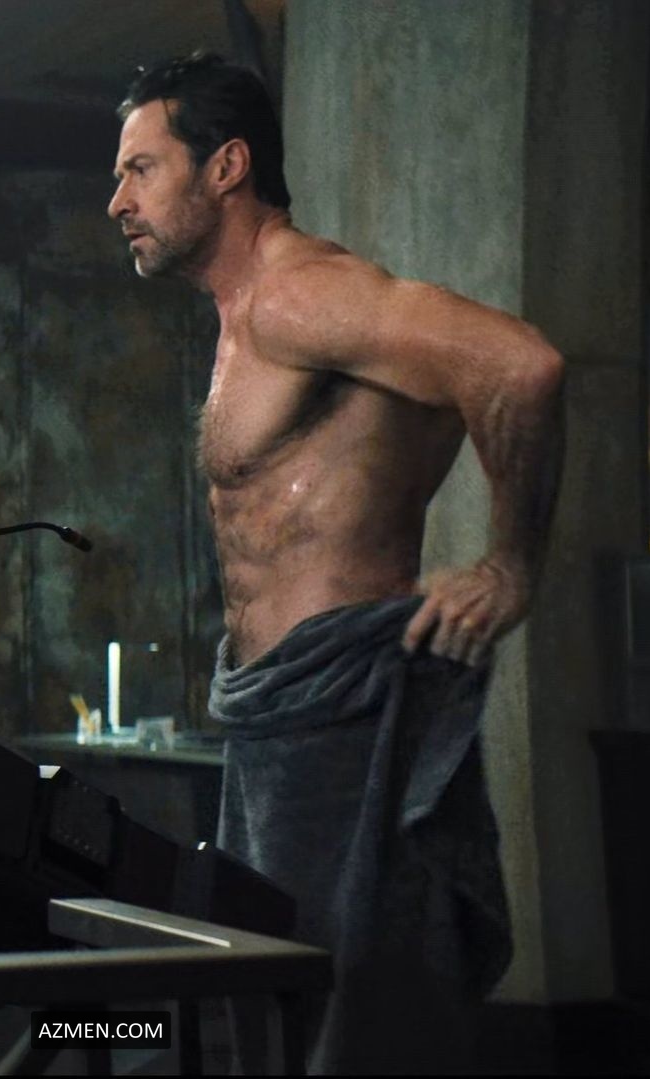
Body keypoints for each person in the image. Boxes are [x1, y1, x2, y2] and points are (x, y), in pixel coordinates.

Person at [109, 52, 564, 1075]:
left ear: (226, 166)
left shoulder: (300, 296)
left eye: (140, 169)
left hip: (345, 715)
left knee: (357, 1028)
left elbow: (521, 367)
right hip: (272, 723)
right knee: (279, 1010)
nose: (117, 202)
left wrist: (508, 564)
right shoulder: (243, 318)